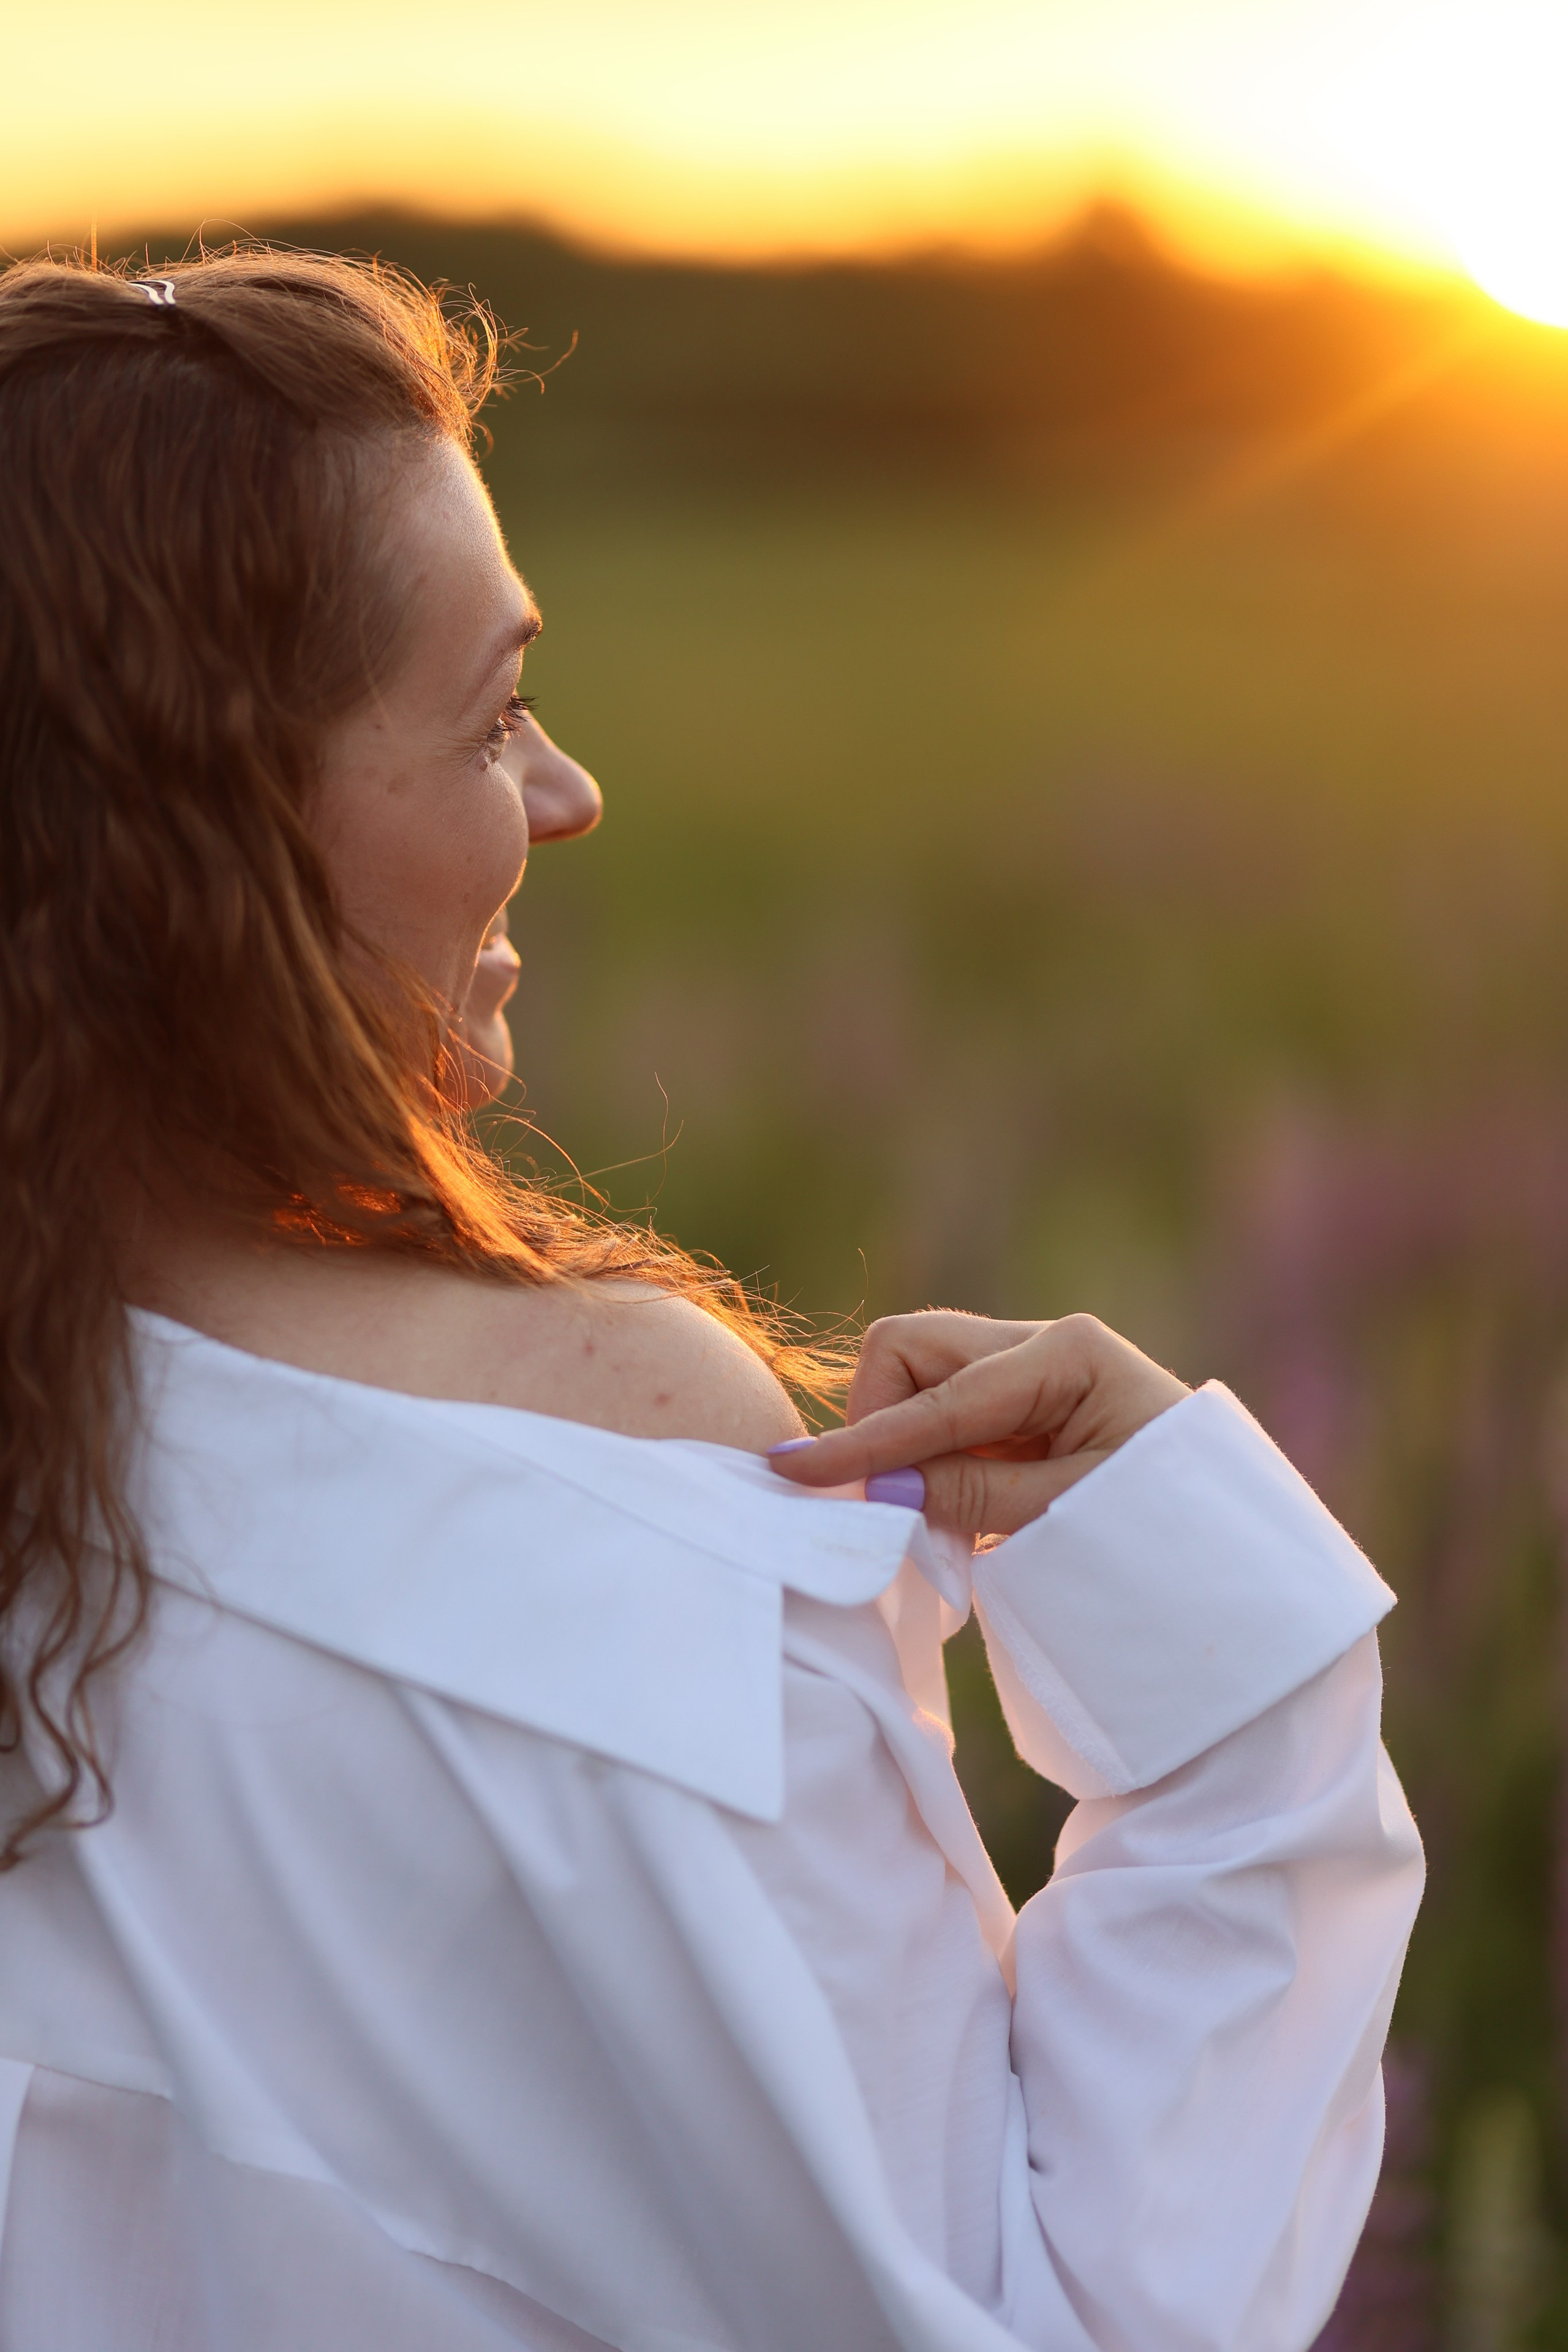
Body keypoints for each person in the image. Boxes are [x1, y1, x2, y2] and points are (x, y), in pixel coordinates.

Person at [0, 249, 1422, 2352]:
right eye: (491, 716)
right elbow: (1025, 2320)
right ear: (208, 831)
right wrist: (1229, 1707)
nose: (566, 793)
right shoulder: (611, 1464)